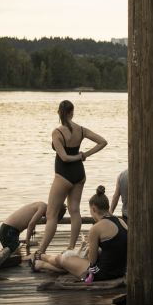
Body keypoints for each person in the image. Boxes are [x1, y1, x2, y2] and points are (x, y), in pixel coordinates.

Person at [33, 100, 108, 260]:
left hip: (63, 175)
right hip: (79, 174)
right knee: (75, 210)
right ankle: (71, 248)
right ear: (72, 112)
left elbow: (65, 158)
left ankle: (40, 252)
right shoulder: (80, 130)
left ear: (59, 112)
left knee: (51, 214)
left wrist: (81, 156)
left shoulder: (57, 133)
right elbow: (103, 142)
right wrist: (84, 155)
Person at [33, 185, 127, 282]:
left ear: (94, 209)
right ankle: (40, 264)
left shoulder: (96, 228)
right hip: (120, 271)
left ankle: (42, 257)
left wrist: (88, 247)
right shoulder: (121, 222)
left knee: (64, 258)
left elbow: (92, 261)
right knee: (72, 264)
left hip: (101, 273)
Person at [0, 201, 67, 253]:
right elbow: (31, 224)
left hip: (9, 230)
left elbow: (30, 219)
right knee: (15, 255)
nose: (48, 218)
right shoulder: (43, 207)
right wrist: (28, 241)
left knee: (14, 252)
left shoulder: (41, 204)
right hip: (8, 231)